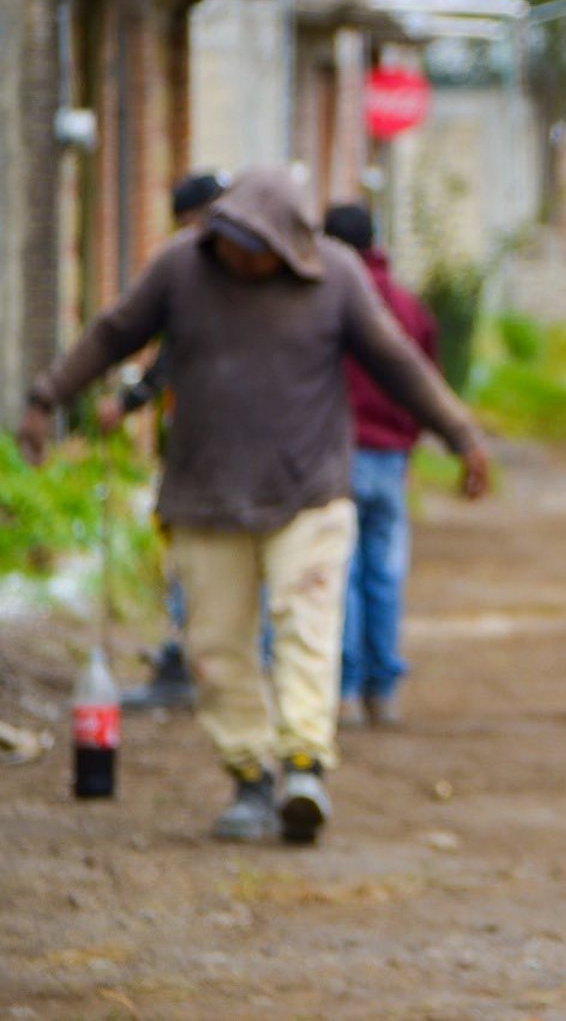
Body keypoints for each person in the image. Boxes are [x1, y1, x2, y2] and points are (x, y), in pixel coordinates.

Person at [17, 169, 489, 846]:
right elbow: (114, 332)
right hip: (206, 495)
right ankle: (249, 775)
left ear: (292, 246)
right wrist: (46, 397)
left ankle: (304, 767)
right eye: (229, 239)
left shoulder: (337, 275)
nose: (238, 255)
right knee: (215, 647)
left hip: (309, 492)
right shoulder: (182, 267)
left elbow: (398, 362)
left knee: (306, 627)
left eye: (254, 245)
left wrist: (463, 434)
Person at [100, 169, 230, 712]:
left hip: (205, 446)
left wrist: (125, 403)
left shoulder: (203, 273)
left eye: (186, 223)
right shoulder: (248, 267)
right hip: (239, 445)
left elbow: (167, 357)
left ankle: (191, 660)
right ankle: (223, 659)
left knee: (193, 548)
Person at [322, 202, 436, 728]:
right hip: (390, 458)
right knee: (385, 574)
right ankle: (381, 689)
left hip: (336, 456)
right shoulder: (407, 306)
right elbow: (425, 380)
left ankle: (343, 691)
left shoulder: (324, 300)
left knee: (340, 573)